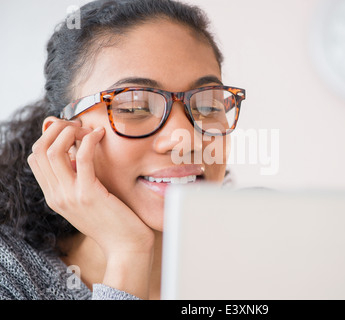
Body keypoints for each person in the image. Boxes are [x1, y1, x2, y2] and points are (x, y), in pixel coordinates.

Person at [0, 0, 245, 300]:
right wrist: (127, 253)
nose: (186, 139)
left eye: (208, 104)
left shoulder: (269, 247)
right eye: (135, 106)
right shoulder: (10, 278)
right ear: (63, 139)